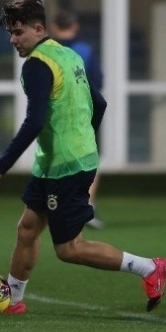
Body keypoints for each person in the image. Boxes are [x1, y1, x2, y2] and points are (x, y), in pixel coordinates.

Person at [0, 0, 166, 314]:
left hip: (66, 166)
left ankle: (150, 268)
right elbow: (100, 104)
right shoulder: (68, 55)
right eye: (11, 33)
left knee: (69, 248)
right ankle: (13, 301)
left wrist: (2, 164)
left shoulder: (37, 65)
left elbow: (35, 121)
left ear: (38, 29)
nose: (13, 40)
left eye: (18, 32)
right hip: (56, 163)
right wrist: (86, 141)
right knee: (27, 229)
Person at [51, 11, 105, 229]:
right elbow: (97, 81)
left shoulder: (48, 52)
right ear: (75, 26)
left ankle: (56, 206)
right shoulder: (86, 50)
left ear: (55, 27)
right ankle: (86, 207)